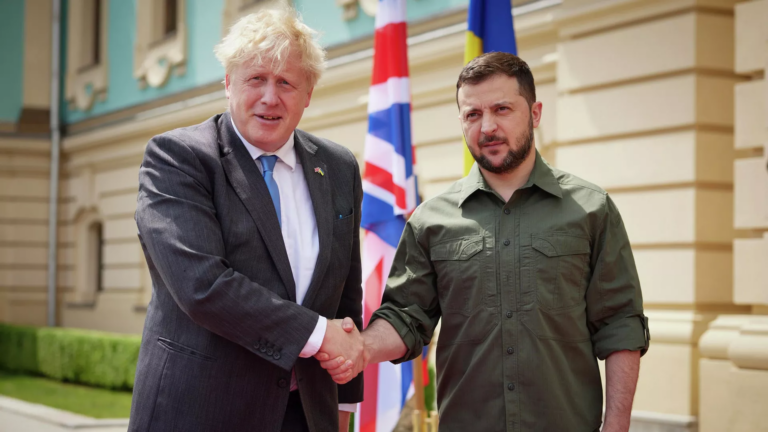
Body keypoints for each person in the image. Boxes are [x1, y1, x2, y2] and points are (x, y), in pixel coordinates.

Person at [319, 52, 650, 432]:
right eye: (473, 114)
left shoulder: (591, 209)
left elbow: (620, 324)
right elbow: (406, 317)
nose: (487, 127)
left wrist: (617, 425)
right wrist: (361, 348)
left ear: (535, 113)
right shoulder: (430, 221)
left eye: (502, 109)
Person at [129, 9, 365, 432]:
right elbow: (202, 286)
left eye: (286, 82)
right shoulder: (178, 158)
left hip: (306, 415)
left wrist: (344, 399)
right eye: (256, 78)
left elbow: (345, 292)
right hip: (201, 411)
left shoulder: (338, 166)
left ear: (308, 94)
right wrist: (317, 334)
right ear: (228, 84)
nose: (270, 97)